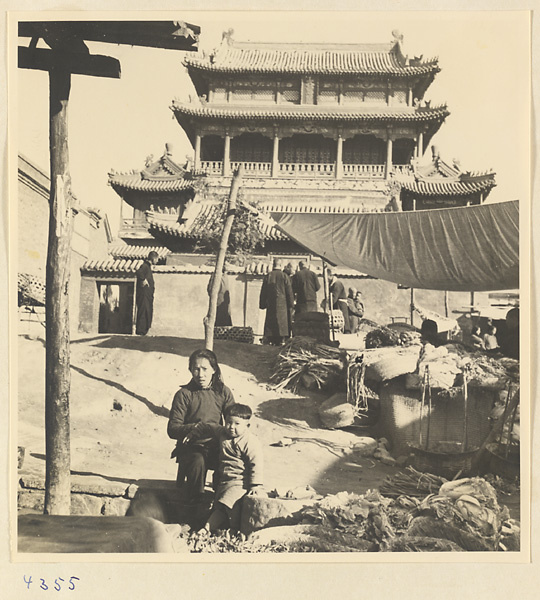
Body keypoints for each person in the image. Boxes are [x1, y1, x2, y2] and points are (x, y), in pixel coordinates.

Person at [167, 349, 235, 507]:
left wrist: (221, 433)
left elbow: (233, 419)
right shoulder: (184, 394)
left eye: (205, 369)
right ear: (190, 369)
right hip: (191, 446)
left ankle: (222, 508)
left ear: (213, 369)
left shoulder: (223, 392)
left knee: (226, 461)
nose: (200, 374)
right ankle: (195, 509)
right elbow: (173, 428)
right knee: (198, 461)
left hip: (216, 445)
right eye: (196, 369)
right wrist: (196, 427)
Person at [203, 403, 264, 532]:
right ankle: (207, 529)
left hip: (241, 482)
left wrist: (255, 485)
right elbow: (211, 427)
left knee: (229, 506)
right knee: (220, 506)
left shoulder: (249, 441)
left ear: (247, 426)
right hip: (224, 480)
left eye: (237, 424)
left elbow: (256, 463)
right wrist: (198, 428)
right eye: (229, 422)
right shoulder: (223, 434)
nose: (231, 427)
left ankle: (233, 530)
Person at [259, 258, 294, 345]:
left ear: (273, 265)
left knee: (271, 328)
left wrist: (262, 304)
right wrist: (291, 304)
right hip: (283, 307)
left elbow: (263, 292)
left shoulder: (268, 276)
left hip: (271, 306)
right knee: (282, 329)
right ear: (280, 265)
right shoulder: (284, 276)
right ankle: (281, 341)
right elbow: (289, 292)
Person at [135, 250, 158, 335]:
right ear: (153, 258)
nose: (157, 261)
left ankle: (144, 331)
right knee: (143, 311)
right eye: (157, 259)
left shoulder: (148, 267)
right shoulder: (145, 266)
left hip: (147, 295)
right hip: (144, 294)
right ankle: (141, 331)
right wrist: (143, 280)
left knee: (147, 311)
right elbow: (139, 272)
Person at [328, 269, 350, 333]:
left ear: (330, 276)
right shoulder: (332, 284)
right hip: (337, 304)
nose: (327, 280)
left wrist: (327, 304)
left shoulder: (337, 284)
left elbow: (334, 297)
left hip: (340, 305)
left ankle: (346, 332)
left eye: (327, 277)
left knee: (343, 320)